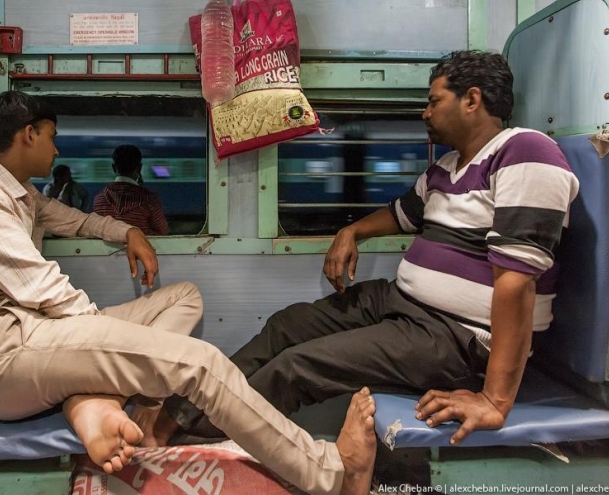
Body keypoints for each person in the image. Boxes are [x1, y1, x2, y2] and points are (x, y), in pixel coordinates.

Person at [0, 90, 378, 495]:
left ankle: (95, 403)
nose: (57, 149)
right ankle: (331, 474)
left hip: (31, 336)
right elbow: (40, 287)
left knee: (184, 297)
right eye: (52, 136)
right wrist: (105, 337)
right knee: (201, 364)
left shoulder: (21, 194)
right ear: (28, 134)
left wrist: (128, 233)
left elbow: (79, 221)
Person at [156, 50, 580, 448]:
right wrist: (352, 231)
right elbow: (401, 214)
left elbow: (517, 284)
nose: (425, 112)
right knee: (286, 325)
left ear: (472, 100)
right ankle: (175, 416)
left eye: (434, 101)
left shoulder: (525, 152)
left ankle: (195, 441)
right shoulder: (447, 168)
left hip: (457, 336)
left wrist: (494, 400)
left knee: (298, 366)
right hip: (402, 302)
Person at [93, 144, 169, 236]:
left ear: (113, 168)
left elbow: (96, 231)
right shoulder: (150, 199)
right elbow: (162, 231)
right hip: (139, 245)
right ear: (139, 168)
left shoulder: (99, 199)